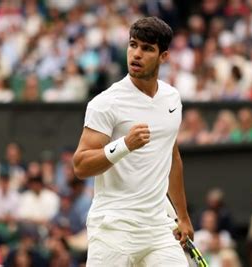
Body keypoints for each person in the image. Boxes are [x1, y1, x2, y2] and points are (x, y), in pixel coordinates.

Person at [73, 17, 193, 266]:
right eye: (133, 45)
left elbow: (172, 157)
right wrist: (124, 145)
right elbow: (81, 165)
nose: (136, 54)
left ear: (163, 56)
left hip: (159, 227)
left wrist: (183, 216)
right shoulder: (105, 103)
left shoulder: (172, 99)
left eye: (147, 48)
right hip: (113, 228)